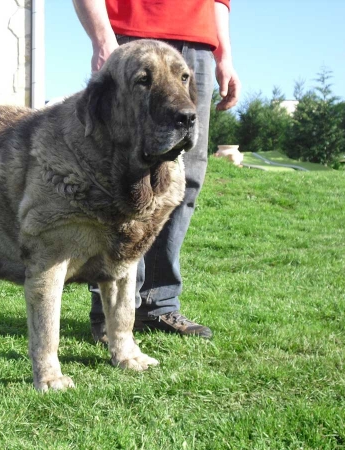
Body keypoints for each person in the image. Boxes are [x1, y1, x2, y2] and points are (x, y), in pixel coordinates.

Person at [72, 0, 241, 341]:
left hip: (197, 46)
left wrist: (224, 55)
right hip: (131, 39)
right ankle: (113, 313)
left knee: (186, 176)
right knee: (121, 177)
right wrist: (104, 39)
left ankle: (158, 304)